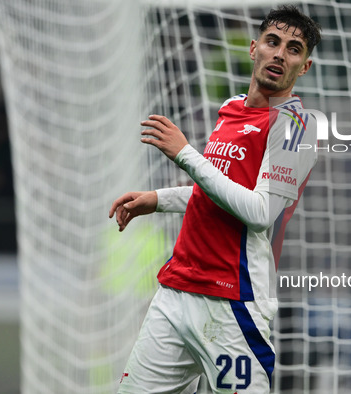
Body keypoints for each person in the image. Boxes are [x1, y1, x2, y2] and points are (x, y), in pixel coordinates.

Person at [109, 5, 321, 393]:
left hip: (232, 303)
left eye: (293, 49)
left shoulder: (296, 127)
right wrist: (158, 199)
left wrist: (185, 154)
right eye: (273, 42)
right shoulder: (230, 110)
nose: (279, 53)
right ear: (254, 48)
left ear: (303, 67)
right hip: (177, 291)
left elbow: (259, 212)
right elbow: (217, 193)